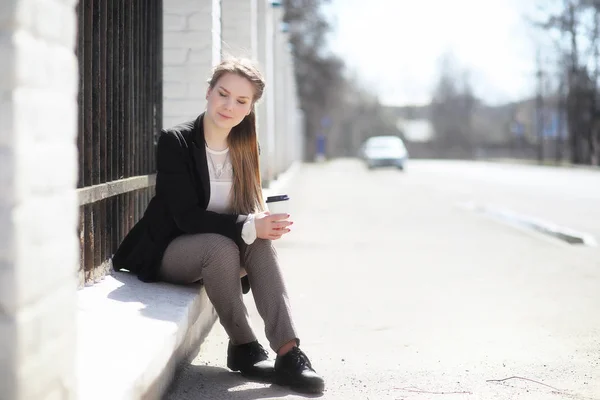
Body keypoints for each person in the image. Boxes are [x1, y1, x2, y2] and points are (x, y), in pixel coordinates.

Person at [112, 57, 324, 394]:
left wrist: (263, 223)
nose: (229, 106)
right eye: (223, 94)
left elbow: (243, 211)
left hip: (222, 253)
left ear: (250, 108)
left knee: (257, 240)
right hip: (172, 250)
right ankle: (244, 346)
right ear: (208, 92)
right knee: (223, 245)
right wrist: (248, 224)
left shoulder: (246, 147)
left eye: (241, 101)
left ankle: (289, 352)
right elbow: (186, 216)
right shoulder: (176, 142)